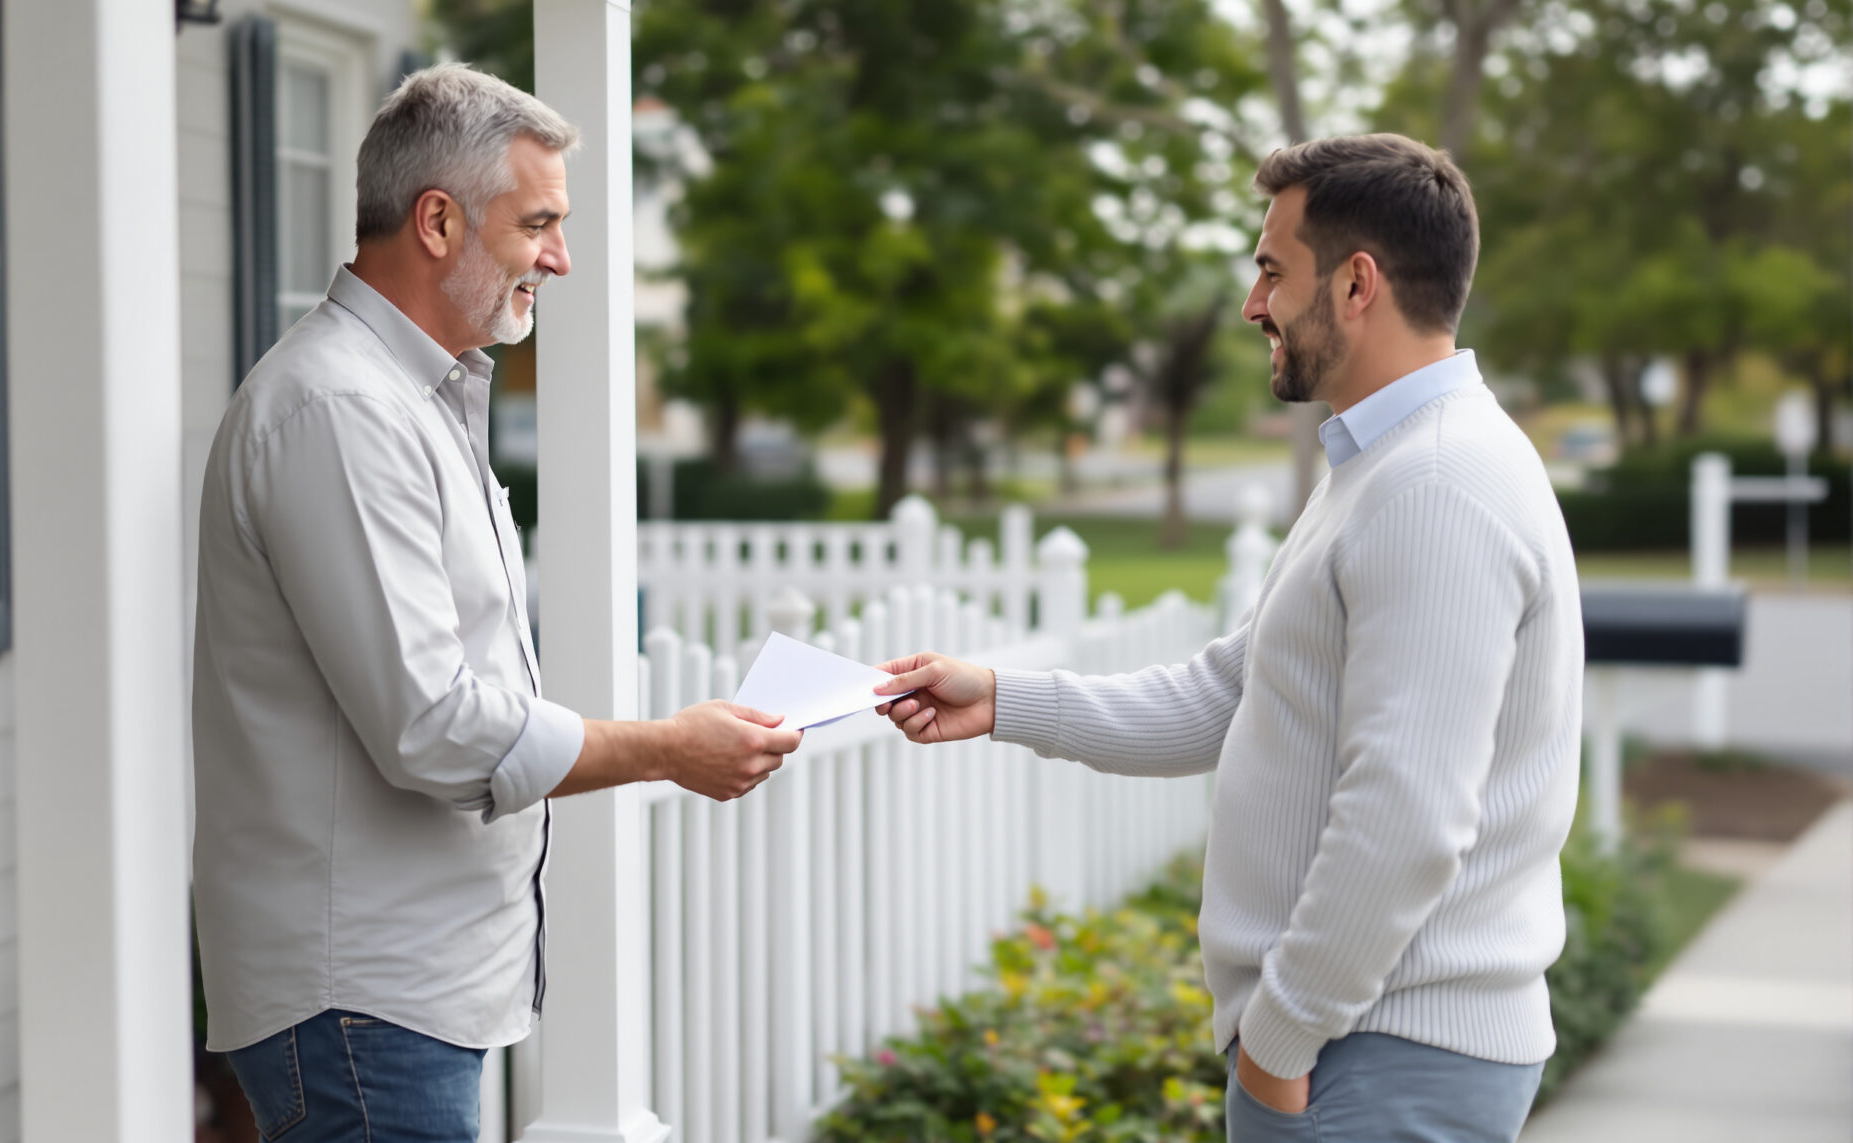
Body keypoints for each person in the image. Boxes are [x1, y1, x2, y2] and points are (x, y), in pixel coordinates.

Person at [874, 134, 1581, 1143]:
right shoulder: (1381, 468)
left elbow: (1406, 815)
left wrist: (1278, 1046)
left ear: (1355, 285)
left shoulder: (1431, 487)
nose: (1253, 305)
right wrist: (1000, 699)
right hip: (1353, 1052)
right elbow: (1229, 692)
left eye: (1269, 270)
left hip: (1375, 1060)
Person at [191, 64, 801, 1143]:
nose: (558, 257)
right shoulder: (339, 412)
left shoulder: (413, 398)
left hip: (397, 987)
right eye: (539, 224)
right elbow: (429, 725)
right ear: (436, 222)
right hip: (361, 994)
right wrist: (669, 747)